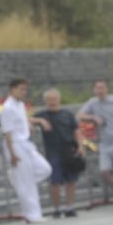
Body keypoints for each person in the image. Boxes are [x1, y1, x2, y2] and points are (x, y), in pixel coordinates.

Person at [0, 78, 52, 223]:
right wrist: (12, 154)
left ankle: (18, 180)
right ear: (13, 89)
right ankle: (32, 214)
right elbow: (7, 132)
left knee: (45, 169)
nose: (24, 92)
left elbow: (22, 120)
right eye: (21, 89)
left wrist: (30, 123)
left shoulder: (20, 105)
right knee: (25, 182)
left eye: (25, 89)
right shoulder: (7, 108)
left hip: (26, 143)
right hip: (15, 144)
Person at [77, 80, 113, 209]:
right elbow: (79, 115)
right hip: (104, 142)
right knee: (105, 172)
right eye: (97, 88)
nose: (100, 91)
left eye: (102, 88)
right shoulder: (92, 102)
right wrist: (93, 118)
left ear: (107, 89)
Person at [33, 89, 84, 218]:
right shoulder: (42, 114)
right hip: (53, 152)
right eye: (49, 100)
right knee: (55, 182)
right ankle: (56, 208)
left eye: (54, 99)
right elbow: (27, 119)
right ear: (45, 101)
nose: (52, 102)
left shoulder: (67, 114)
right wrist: (40, 121)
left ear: (58, 100)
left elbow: (77, 131)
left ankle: (70, 207)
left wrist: (81, 146)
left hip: (69, 149)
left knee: (71, 180)